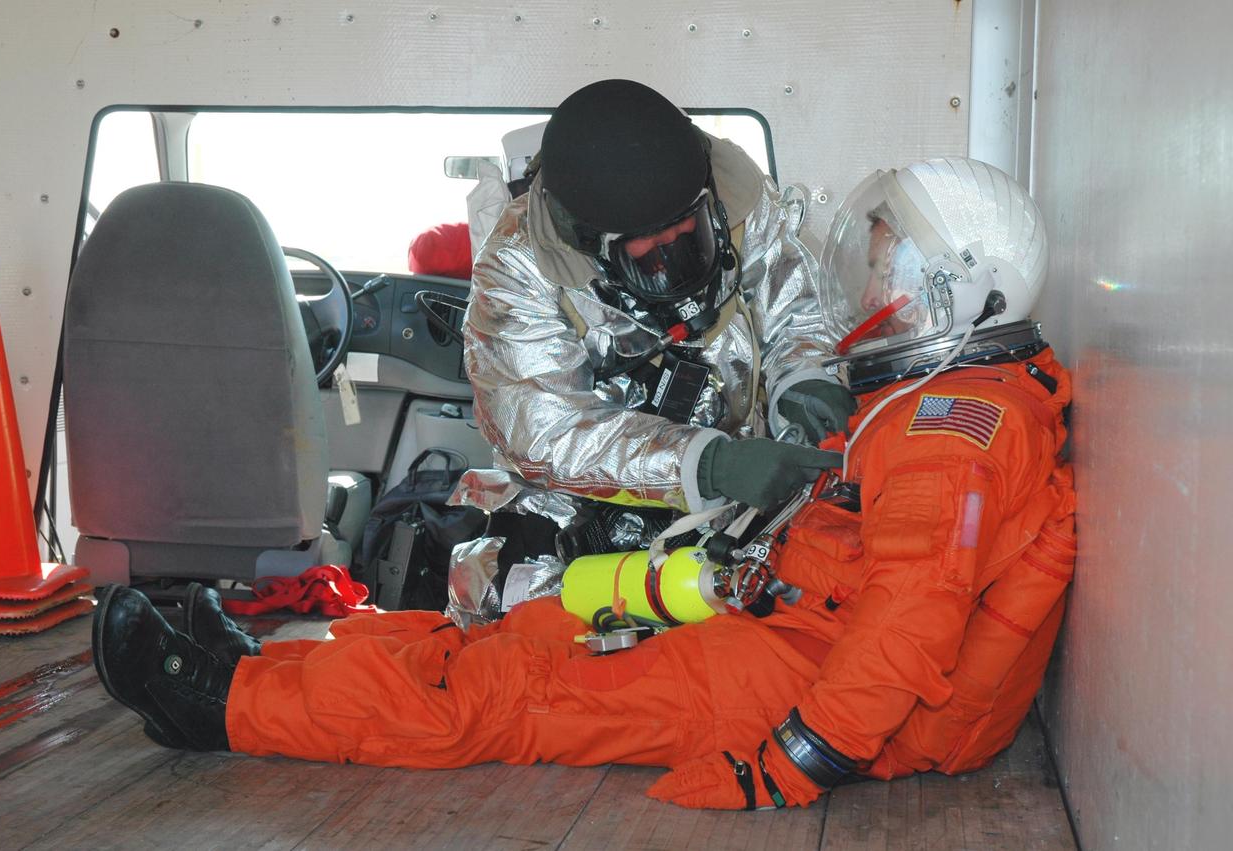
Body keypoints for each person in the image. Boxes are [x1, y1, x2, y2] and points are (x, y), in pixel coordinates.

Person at [92, 157, 1074, 811]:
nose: (861, 284)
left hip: (810, 678)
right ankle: (261, 665)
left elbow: (910, 618)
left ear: (953, 288)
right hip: (792, 624)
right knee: (517, 632)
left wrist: (796, 759)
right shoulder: (942, 399)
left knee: (515, 693)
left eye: (883, 262)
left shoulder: (954, 431)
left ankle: (216, 703)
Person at [459, 79, 851, 534]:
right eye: (649, 254)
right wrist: (702, 464)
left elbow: (795, 306)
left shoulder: (732, 192)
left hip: (746, 487)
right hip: (579, 513)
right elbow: (544, 431)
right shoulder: (516, 265)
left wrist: (806, 377)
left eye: (689, 236)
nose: (674, 262)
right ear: (594, 243)